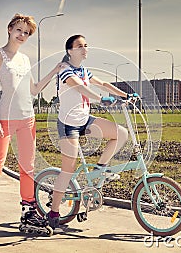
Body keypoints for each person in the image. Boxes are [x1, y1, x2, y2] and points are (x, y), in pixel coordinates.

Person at [0, 13, 63, 236]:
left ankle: (28, 213)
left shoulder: (25, 59)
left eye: (27, 33)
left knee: (27, 169)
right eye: (19, 30)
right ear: (10, 29)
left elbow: (34, 89)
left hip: (27, 119)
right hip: (5, 119)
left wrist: (55, 70)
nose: (22, 35)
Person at [46, 34, 138, 229]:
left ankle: (99, 169)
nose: (84, 48)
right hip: (68, 125)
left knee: (120, 133)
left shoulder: (83, 71)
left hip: (85, 120)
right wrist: (100, 99)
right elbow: (79, 88)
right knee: (68, 169)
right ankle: (54, 211)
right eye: (80, 46)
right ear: (70, 51)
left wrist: (126, 95)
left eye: (86, 45)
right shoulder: (65, 70)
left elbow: (103, 84)